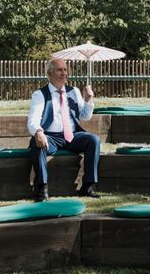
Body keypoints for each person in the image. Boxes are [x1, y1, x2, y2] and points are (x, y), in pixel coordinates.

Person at [27, 58, 101, 202]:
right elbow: (33, 119)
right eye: (59, 70)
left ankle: (88, 187)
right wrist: (38, 132)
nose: (64, 73)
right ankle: (42, 188)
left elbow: (84, 116)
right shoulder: (40, 94)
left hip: (72, 136)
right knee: (36, 142)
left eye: (65, 70)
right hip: (51, 137)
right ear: (49, 73)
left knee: (94, 140)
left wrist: (88, 100)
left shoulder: (74, 91)